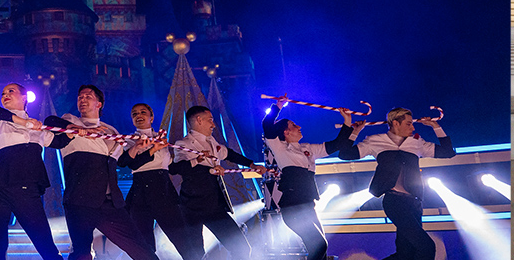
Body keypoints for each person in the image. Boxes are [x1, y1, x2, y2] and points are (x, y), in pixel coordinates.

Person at [45, 85, 160, 260]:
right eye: (80, 97)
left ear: (99, 104)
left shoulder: (111, 131)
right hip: (80, 201)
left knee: (142, 250)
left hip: (110, 203)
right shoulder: (71, 122)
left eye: (88, 96)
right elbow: (50, 121)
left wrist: (142, 149)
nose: (82, 99)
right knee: (81, 254)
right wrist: (76, 130)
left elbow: (124, 162)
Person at [338, 107, 454, 260]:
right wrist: (355, 131)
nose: (413, 127)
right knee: (426, 246)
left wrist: (435, 126)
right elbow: (345, 154)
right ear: (395, 123)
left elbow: (448, 152)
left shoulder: (417, 142)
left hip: (415, 203)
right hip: (394, 201)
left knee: (405, 254)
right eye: (408, 124)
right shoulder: (375, 140)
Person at [262, 96, 353, 260]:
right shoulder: (280, 147)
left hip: (308, 204)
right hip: (292, 205)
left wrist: (347, 122)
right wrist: (278, 106)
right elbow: (267, 126)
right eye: (294, 125)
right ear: (286, 132)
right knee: (320, 245)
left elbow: (336, 144)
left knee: (321, 250)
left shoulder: (308, 148)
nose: (299, 127)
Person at [171, 105, 267, 260]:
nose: (213, 124)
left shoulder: (212, 141)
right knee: (195, 255)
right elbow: (179, 168)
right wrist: (204, 165)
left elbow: (230, 154)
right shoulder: (184, 144)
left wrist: (252, 164)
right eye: (210, 120)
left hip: (214, 205)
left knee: (241, 247)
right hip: (191, 206)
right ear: (199, 120)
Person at [0, 83, 62, 260]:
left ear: (24, 97)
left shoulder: (39, 128)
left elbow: (60, 141)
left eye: (11, 91)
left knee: (45, 243)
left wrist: (74, 131)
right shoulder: (0, 122)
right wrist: (25, 123)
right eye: (3, 92)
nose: (6, 94)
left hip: (26, 188)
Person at [122, 103, 202, 260]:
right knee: (145, 244)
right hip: (141, 192)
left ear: (151, 117)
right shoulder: (130, 140)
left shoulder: (162, 139)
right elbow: (132, 163)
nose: (139, 115)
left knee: (182, 239)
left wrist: (196, 160)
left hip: (164, 191)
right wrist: (152, 149)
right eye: (134, 113)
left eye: (143, 112)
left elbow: (171, 168)